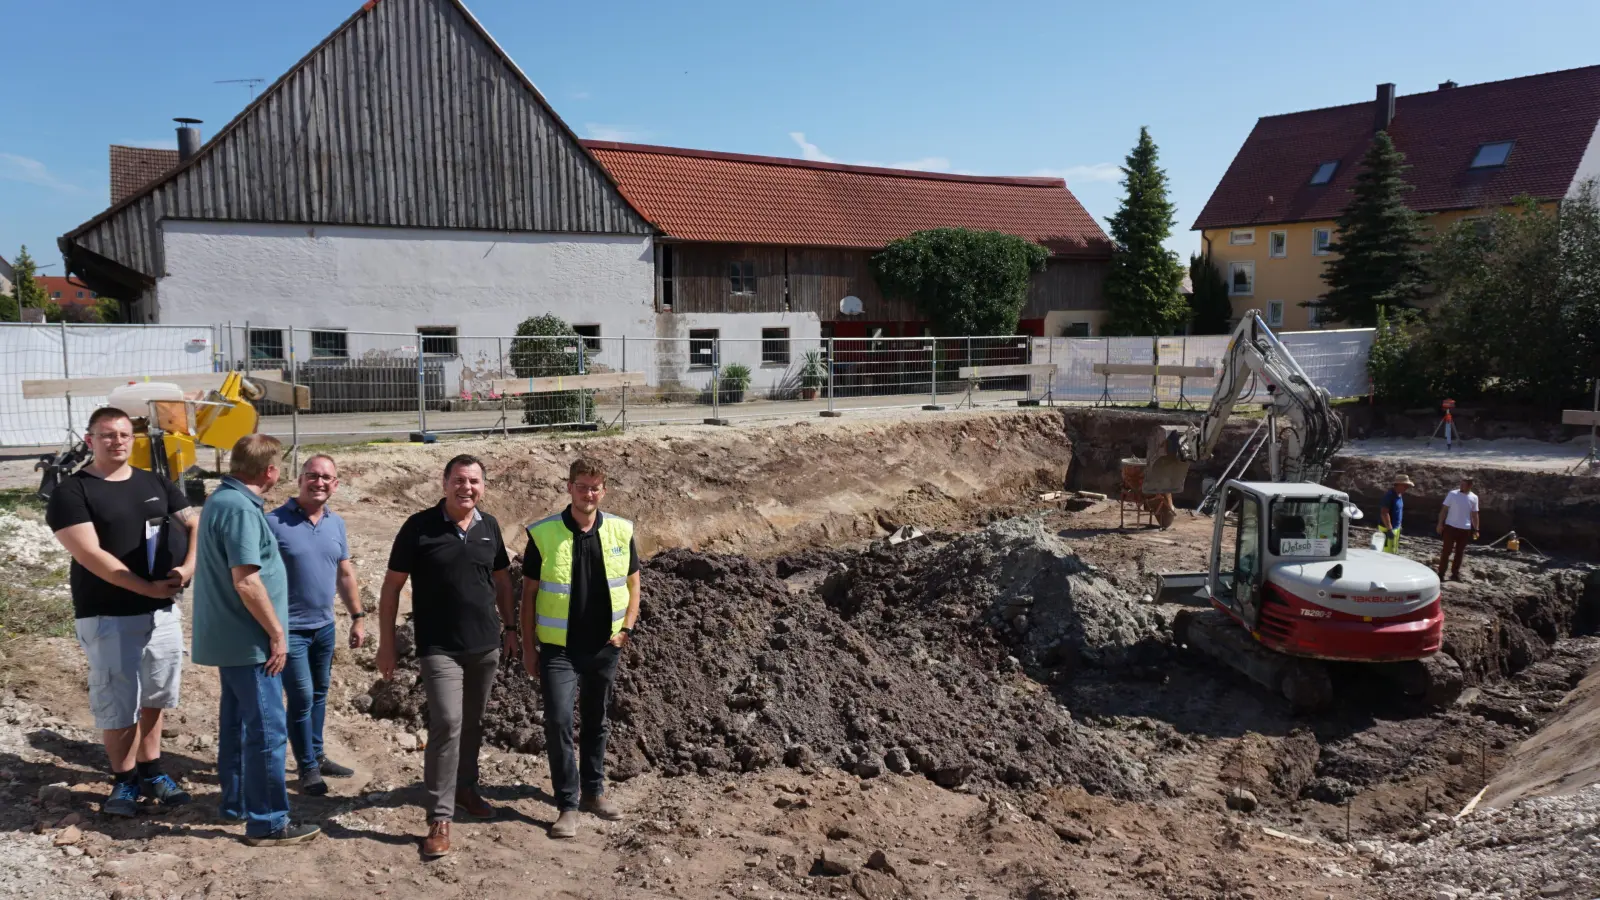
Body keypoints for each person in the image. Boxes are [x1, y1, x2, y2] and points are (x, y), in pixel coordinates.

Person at [46, 406, 197, 817]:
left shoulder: (154, 482)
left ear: (134, 438)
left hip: (161, 613)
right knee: (117, 700)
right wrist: (146, 587)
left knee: (154, 696)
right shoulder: (72, 493)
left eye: (124, 434)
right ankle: (124, 780)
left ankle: (152, 772)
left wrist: (187, 568)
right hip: (107, 615)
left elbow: (193, 523)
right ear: (90, 440)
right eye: (108, 435)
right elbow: (91, 555)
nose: (117, 441)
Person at [378, 454, 515, 859]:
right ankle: (439, 817)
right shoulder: (418, 527)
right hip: (439, 648)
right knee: (448, 723)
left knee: (472, 722)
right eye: (459, 480)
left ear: (482, 487)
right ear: (444, 483)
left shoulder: (489, 527)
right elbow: (391, 587)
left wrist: (510, 629)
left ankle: (466, 788)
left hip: (485, 646)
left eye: (474, 481)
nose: (466, 488)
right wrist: (387, 643)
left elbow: (502, 581)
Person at [191, 434, 321, 846]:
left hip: (233, 639)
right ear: (270, 471)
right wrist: (277, 634)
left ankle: (237, 804)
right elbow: (247, 581)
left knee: (237, 725)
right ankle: (268, 822)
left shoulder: (223, 501)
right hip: (250, 643)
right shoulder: (239, 510)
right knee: (267, 730)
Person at [521, 457, 641, 840]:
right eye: (582, 486)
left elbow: (634, 584)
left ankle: (593, 791)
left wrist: (625, 630)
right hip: (559, 649)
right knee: (558, 720)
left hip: (605, 646)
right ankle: (567, 805)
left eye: (595, 487)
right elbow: (528, 595)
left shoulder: (621, 530)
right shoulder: (544, 534)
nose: (588, 494)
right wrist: (528, 647)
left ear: (603, 491)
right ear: (569, 487)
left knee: (596, 720)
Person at [266, 454, 365, 797]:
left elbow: (344, 573)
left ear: (335, 484)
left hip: (324, 627)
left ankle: (318, 754)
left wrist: (357, 617)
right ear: (300, 479)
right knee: (302, 696)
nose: (319, 482)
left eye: (326, 477)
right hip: (288, 630)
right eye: (312, 475)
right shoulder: (273, 522)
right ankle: (306, 766)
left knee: (320, 692)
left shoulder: (336, 523)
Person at [1436, 474, 1481, 582]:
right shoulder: (1452, 494)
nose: (1461, 486)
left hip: (1465, 529)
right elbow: (1444, 510)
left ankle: (1455, 574)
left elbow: (1475, 514)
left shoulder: (1474, 497)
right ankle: (1441, 573)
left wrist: (1476, 529)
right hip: (1450, 527)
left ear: (1470, 485)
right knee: (1446, 551)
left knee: (1460, 552)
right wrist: (1440, 524)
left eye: (1463, 485)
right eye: (1461, 484)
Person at [1380, 475, 1414, 553]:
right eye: (1405, 485)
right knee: (1386, 553)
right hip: (1387, 529)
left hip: (1395, 528)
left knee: (1393, 551)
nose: (1407, 488)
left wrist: (1399, 525)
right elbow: (1384, 513)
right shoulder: (1389, 496)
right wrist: (1389, 529)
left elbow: (1398, 511)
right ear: (1398, 485)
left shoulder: (1399, 495)